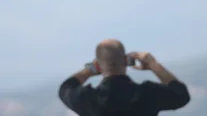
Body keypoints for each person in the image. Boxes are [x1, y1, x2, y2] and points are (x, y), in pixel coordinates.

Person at [58, 39, 191, 115]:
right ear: (126, 61)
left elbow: (65, 89)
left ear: (98, 65)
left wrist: (89, 69)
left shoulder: (88, 100)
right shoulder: (148, 93)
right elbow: (181, 94)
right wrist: (153, 65)